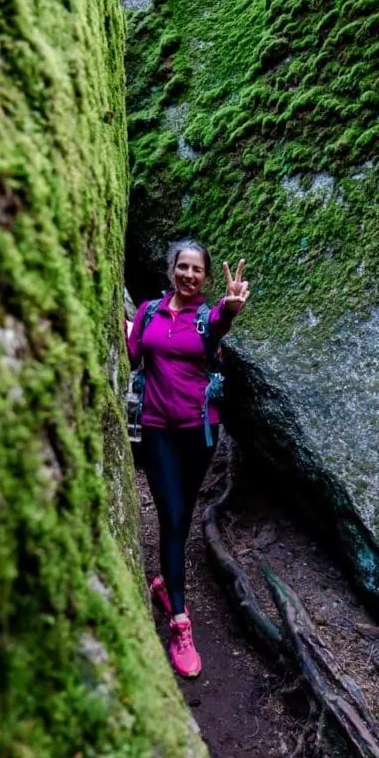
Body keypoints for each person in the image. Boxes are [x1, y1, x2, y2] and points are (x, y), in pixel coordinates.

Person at [126, 239, 250, 678]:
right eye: (184, 267)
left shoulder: (206, 318)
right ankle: (180, 620)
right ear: (171, 269)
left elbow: (218, 324)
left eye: (197, 270)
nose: (189, 275)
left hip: (200, 432)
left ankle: (164, 582)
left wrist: (230, 308)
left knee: (181, 518)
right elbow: (133, 354)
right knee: (172, 514)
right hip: (158, 430)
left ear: (206, 277)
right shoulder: (148, 313)